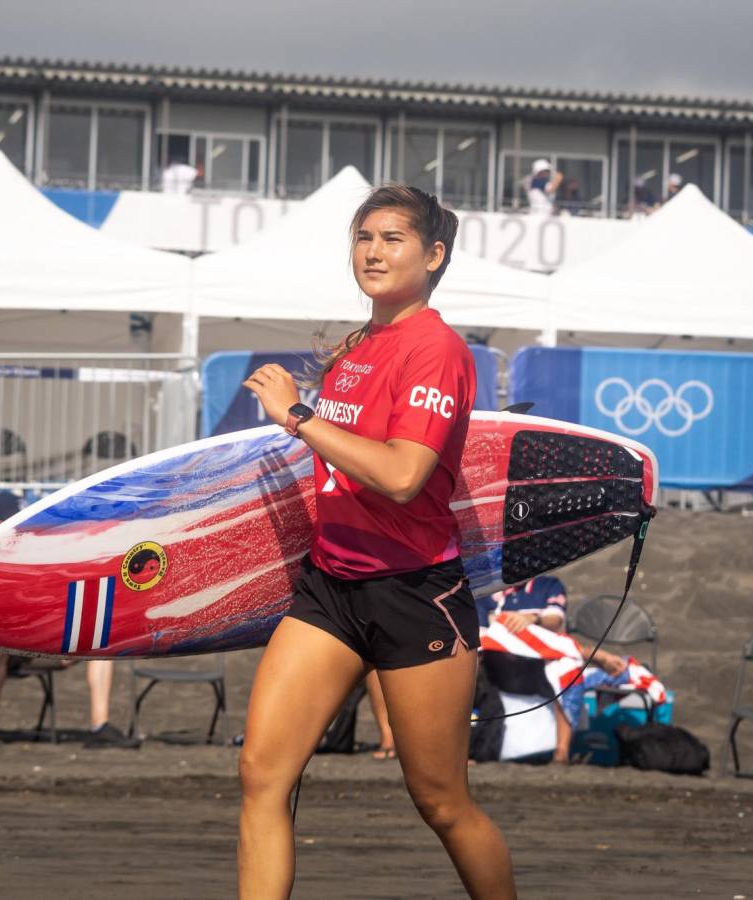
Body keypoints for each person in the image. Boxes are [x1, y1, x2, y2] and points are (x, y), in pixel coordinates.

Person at [238, 184, 516, 899]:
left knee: (441, 802)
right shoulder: (359, 345)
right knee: (262, 776)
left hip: (415, 593)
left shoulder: (439, 351)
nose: (373, 250)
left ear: (433, 254)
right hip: (331, 588)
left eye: (392, 238)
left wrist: (295, 415)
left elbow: (401, 474)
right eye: (363, 236)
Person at [0, 490, 139, 750]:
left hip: (41, 643)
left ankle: (100, 726)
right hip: (5, 644)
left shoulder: (38, 557)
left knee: (100, 647)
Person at [478, 578, 627, 764]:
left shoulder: (547, 586)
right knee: (497, 635)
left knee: (565, 666)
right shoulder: (483, 590)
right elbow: (481, 639)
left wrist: (532, 620)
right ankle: (584, 652)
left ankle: (561, 753)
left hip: (539, 667)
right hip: (499, 666)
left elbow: (555, 621)